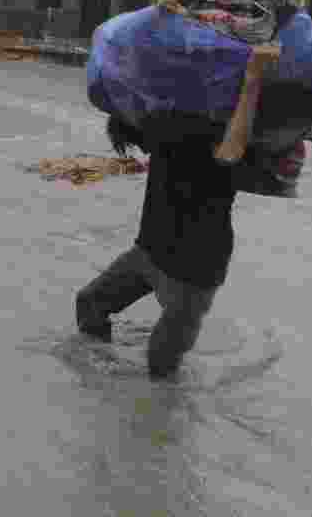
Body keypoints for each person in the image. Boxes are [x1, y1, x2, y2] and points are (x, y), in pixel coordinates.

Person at [75, 111, 245, 379]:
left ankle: (169, 414)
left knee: (161, 364)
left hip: (192, 275)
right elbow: (131, 121)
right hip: (147, 252)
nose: (142, 148)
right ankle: (99, 381)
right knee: (89, 304)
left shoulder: (220, 144)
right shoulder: (162, 132)